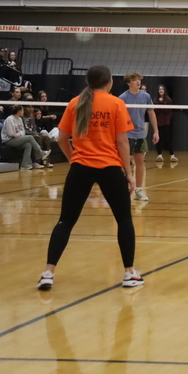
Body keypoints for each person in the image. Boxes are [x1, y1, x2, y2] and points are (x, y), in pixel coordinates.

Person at [37, 65, 142, 291]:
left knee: (65, 221)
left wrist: (74, 158)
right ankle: (129, 274)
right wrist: (129, 173)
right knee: (124, 220)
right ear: (108, 81)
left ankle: (47, 273)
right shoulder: (116, 104)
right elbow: (123, 142)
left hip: (81, 168)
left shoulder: (75, 102)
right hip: (110, 167)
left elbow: (62, 138)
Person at [119, 72, 159, 202]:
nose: (138, 82)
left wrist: (156, 131)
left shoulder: (146, 96)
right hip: (126, 134)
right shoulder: (122, 98)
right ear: (129, 83)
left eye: (139, 80)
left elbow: (152, 114)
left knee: (140, 161)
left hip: (140, 134)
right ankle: (121, 189)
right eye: (135, 80)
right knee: (123, 163)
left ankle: (139, 190)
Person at [2, 104, 49, 170]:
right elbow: (10, 133)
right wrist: (17, 134)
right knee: (30, 137)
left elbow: (23, 131)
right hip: (8, 140)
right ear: (19, 111)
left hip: (17, 138)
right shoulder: (10, 119)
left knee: (28, 144)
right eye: (22, 110)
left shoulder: (19, 119)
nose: (23, 112)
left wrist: (18, 134)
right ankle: (40, 152)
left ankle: (25, 164)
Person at [154, 84, 177, 163]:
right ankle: (159, 155)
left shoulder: (168, 100)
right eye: (159, 89)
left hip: (166, 122)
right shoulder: (155, 100)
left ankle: (172, 155)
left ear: (164, 91)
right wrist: (159, 104)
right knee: (157, 139)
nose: (161, 90)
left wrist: (162, 103)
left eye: (162, 89)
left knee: (167, 139)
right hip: (157, 122)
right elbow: (155, 112)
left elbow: (167, 111)